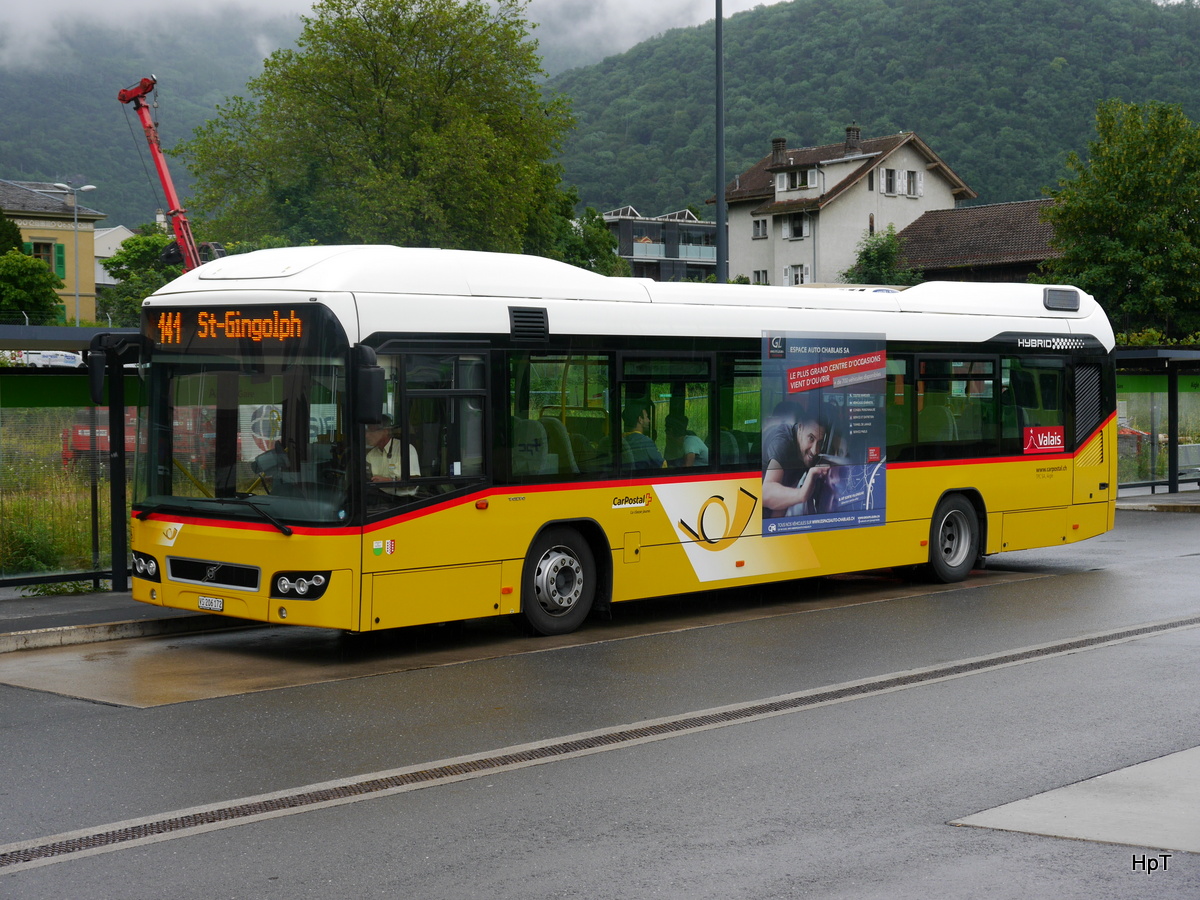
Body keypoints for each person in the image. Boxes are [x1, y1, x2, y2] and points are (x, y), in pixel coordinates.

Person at [761, 409, 830, 517]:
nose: (815, 450)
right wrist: (801, 494)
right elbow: (765, 493)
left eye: (820, 442)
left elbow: (783, 498)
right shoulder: (782, 444)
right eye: (811, 438)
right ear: (801, 427)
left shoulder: (807, 453)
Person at [366, 415, 420, 490]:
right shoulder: (371, 455)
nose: (367, 435)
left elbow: (413, 483)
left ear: (385, 431)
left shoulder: (405, 449)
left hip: (405, 499)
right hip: (380, 497)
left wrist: (388, 481)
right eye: (367, 431)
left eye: (371, 431)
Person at [621, 403, 665, 470]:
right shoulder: (645, 442)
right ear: (640, 419)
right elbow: (662, 465)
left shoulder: (619, 440)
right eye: (646, 417)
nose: (648, 420)